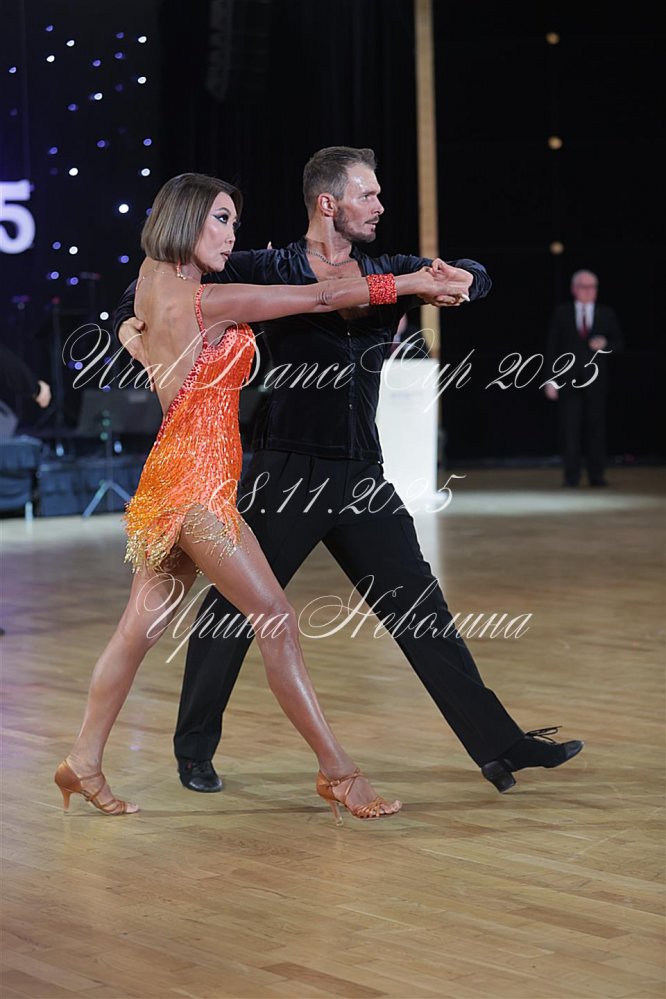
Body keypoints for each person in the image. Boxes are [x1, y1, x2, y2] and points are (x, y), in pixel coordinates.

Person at [116, 147, 584, 797]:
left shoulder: (385, 268)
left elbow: (470, 275)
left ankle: (499, 744)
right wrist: (132, 329)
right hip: (286, 469)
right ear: (328, 203)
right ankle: (192, 749)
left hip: (362, 470)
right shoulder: (266, 266)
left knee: (419, 606)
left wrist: (465, 280)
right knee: (232, 611)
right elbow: (156, 292)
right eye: (369, 195)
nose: (380, 206)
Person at [55, 172, 462, 822]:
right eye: (220, 220)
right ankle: (340, 773)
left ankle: (83, 761)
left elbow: (136, 331)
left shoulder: (154, 280)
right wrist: (410, 283)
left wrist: (136, 340)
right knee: (275, 618)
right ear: (186, 219)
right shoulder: (209, 300)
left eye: (234, 223)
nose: (231, 235)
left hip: (169, 477)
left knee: (136, 631)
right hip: (198, 490)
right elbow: (323, 296)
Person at [544, 270, 623, 487]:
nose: (588, 291)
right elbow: (552, 347)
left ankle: (597, 476)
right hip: (569, 381)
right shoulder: (562, 313)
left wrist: (605, 344)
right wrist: (550, 380)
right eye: (583, 287)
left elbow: (619, 343)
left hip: (596, 382)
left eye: (592, 287)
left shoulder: (606, 313)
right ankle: (571, 476)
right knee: (570, 431)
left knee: (596, 430)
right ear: (574, 289)